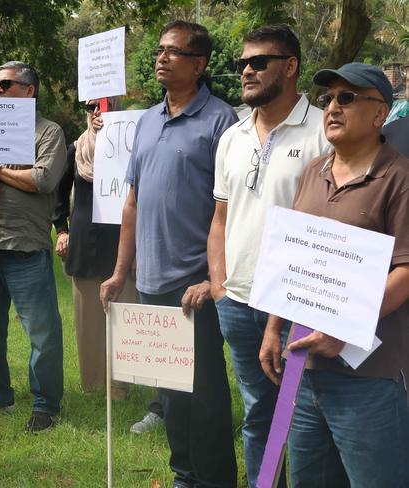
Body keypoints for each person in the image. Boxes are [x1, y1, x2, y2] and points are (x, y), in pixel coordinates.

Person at [100, 21, 238, 488]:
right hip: (151, 282)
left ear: (198, 64)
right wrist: (121, 273)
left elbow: (232, 211)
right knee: (170, 392)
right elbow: (133, 201)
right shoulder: (146, 120)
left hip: (196, 287)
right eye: (159, 50)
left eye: (173, 52)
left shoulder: (222, 121)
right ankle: (184, 476)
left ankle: (216, 480)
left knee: (206, 395)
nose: (160, 58)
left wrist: (213, 280)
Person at [260, 63, 409, 487]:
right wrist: (274, 329)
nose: (332, 108)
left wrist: (345, 326)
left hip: (369, 380)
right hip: (304, 373)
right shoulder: (313, 171)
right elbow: (289, 259)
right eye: (327, 99)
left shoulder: (399, 180)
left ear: (381, 113)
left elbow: (406, 269)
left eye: (347, 98)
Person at [207, 25, 330, 487]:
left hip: (302, 308)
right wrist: (220, 288)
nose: (246, 70)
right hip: (238, 304)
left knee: (305, 420)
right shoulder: (232, 136)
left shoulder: (324, 130)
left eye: (259, 62)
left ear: (291, 66)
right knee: (259, 413)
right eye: (242, 63)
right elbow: (220, 219)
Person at [0, 61, 67, 432]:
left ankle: (46, 405)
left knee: (42, 333)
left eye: (6, 85)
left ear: (29, 91)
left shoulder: (47, 132)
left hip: (25, 249)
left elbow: (45, 179)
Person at [54, 97, 137, 399]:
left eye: (104, 106)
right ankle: (93, 384)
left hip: (122, 242)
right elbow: (58, 194)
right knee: (88, 319)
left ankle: (121, 385)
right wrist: (61, 230)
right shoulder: (76, 150)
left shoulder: (134, 147)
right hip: (85, 243)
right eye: (91, 107)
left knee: (125, 314)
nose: (97, 112)